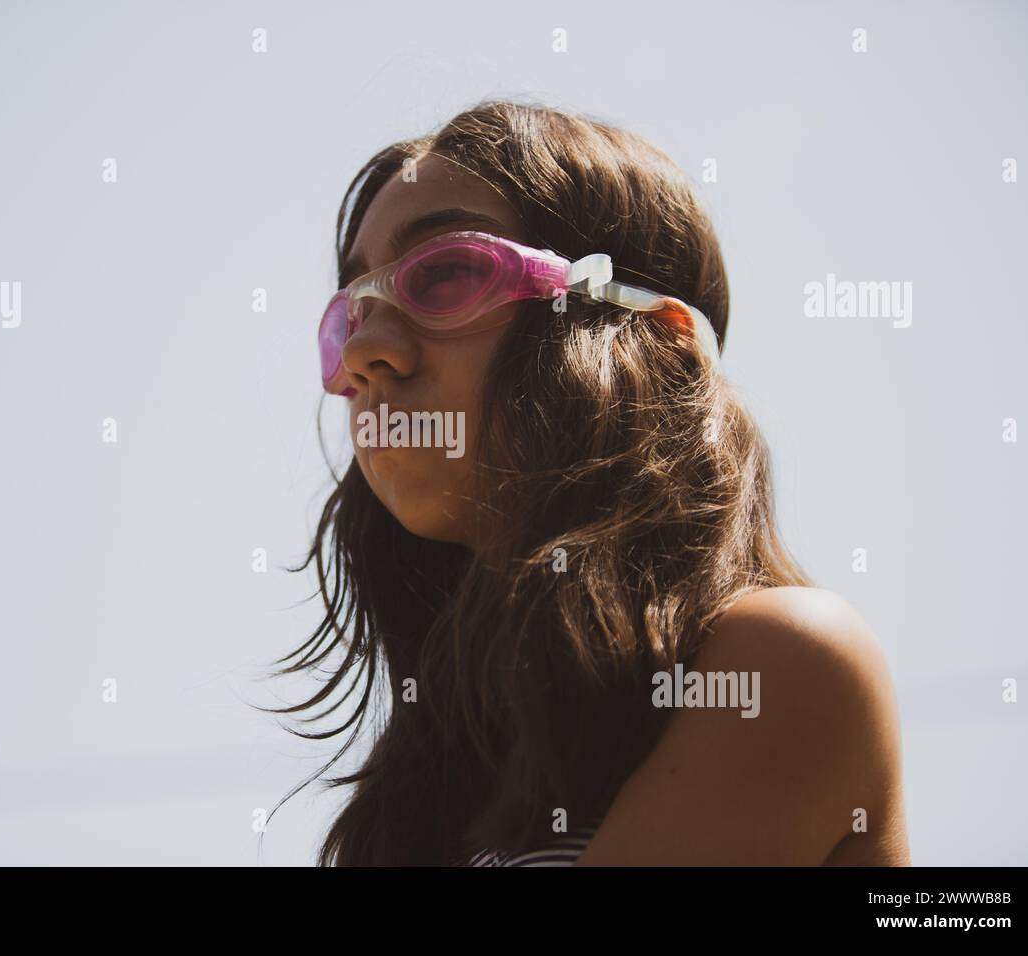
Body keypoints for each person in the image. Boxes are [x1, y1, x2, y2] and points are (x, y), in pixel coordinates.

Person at [268, 100, 910, 867]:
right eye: (349, 311)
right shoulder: (439, 774)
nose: (364, 350)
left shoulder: (778, 664)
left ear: (659, 340)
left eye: (444, 274)